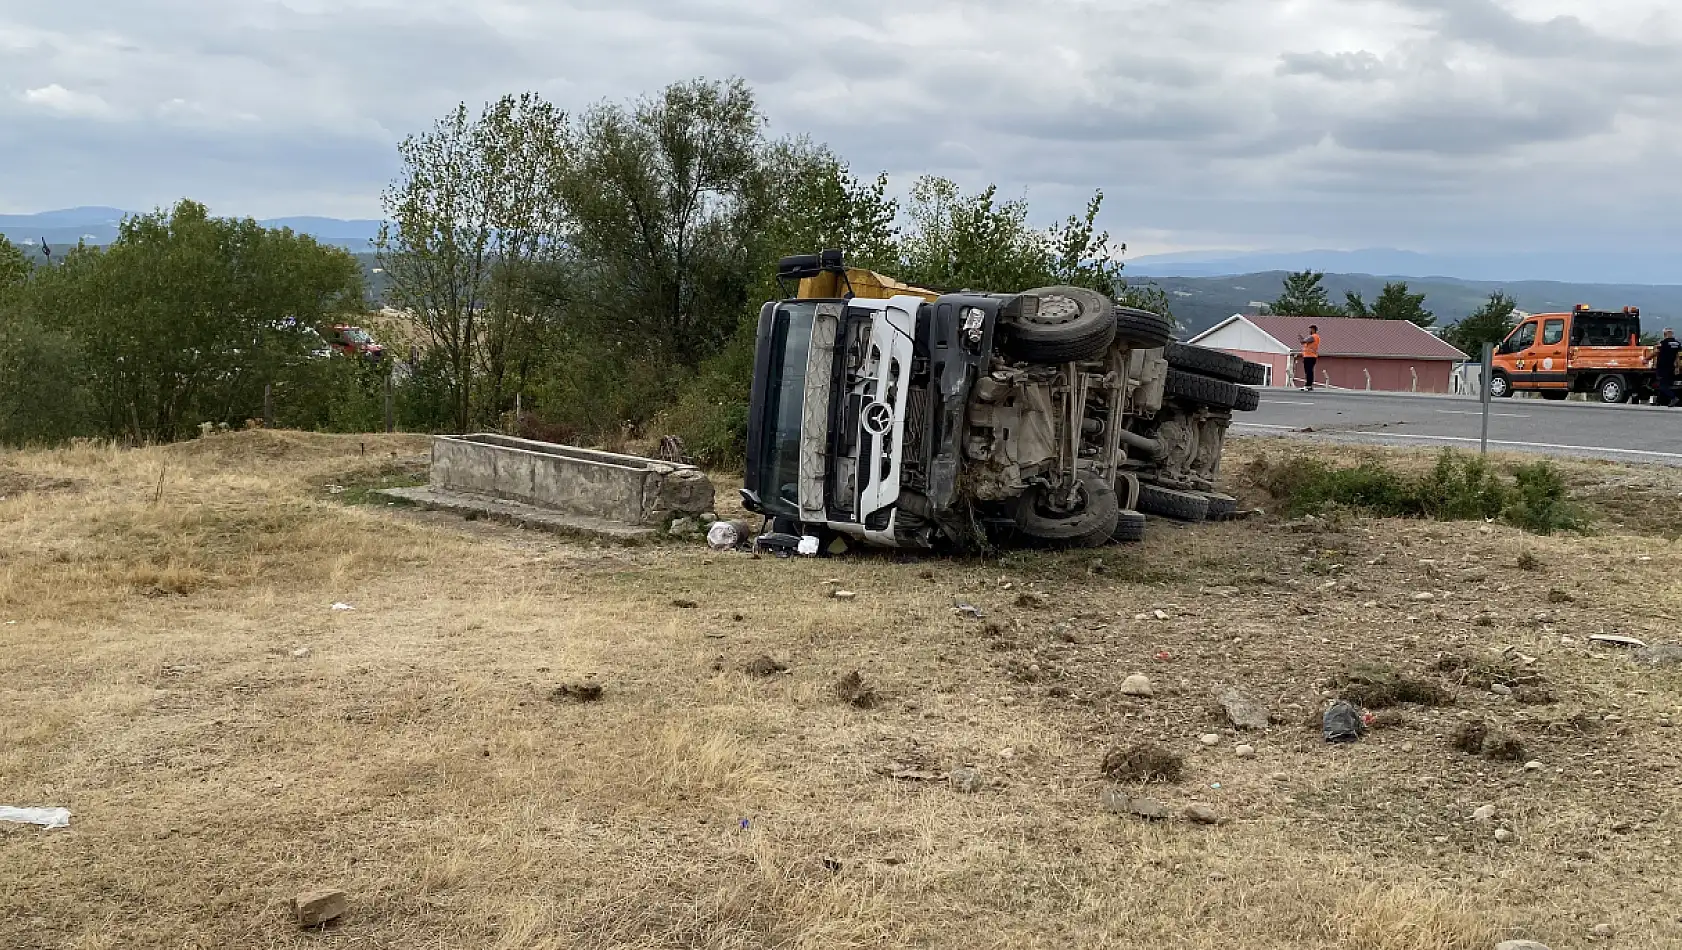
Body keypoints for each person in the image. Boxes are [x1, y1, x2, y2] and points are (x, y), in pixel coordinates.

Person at [1656, 328, 1682, 407]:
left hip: (1663, 368)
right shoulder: (1677, 343)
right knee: (1667, 385)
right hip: (1671, 368)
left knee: (1662, 386)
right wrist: (1677, 367)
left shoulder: (1663, 343)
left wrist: (1646, 359)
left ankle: (1673, 397)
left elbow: (1656, 352)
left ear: (1665, 334)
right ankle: (1659, 401)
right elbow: (1677, 356)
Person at [1300, 324, 1321, 391]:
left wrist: (1301, 338)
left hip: (1309, 356)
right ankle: (1309, 385)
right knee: (1309, 371)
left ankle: (1308, 385)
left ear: (1313, 330)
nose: (1309, 331)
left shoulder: (1313, 337)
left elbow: (1303, 341)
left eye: (1311, 329)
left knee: (1308, 371)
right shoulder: (1315, 337)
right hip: (1311, 356)